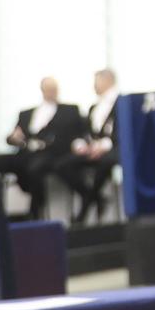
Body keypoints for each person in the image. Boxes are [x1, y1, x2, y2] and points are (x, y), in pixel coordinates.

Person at [0, 77, 83, 220]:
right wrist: (14, 138)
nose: (51, 92)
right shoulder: (26, 114)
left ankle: (36, 210)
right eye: (48, 88)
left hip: (49, 154)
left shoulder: (68, 111)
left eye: (53, 88)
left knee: (35, 167)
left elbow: (74, 135)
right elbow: (13, 137)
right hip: (25, 153)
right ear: (42, 90)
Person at [59, 68, 120, 225]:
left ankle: (85, 208)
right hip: (92, 149)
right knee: (63, 165)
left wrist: (103, 146)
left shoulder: (121, 102)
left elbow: (123, 131)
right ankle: (95, 197)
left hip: (112, 149)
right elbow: (86, 132)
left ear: (108, 80)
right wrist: (84, 145)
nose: (94, 86)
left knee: (105, 162)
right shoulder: (94, 107)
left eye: (96, 81)